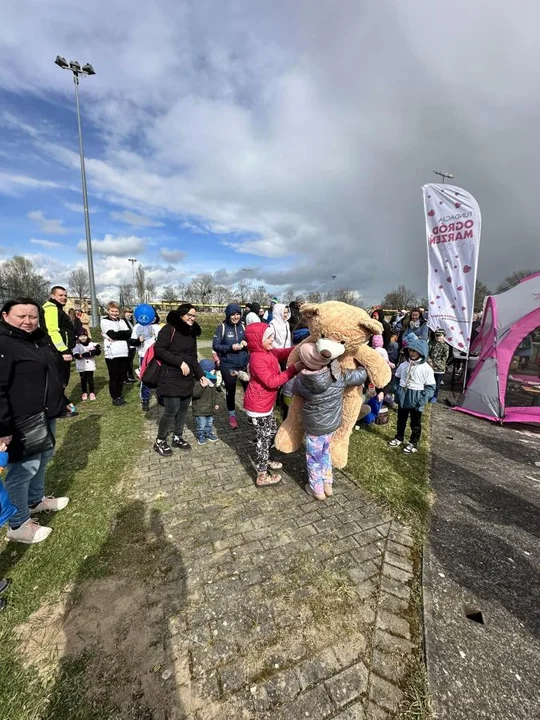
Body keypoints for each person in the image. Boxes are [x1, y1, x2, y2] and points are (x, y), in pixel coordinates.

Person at [0, 298, 70, 544]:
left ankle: (35, 501)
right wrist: (3, 427)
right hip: (20, 420)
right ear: (5, 316)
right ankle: (18, 524)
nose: (28, 321)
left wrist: (62, 400)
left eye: (33, 316)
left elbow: (50, 373)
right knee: (23, 470)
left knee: (43, 459)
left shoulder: (38, 339)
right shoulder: (5, 343)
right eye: (22, 316)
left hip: (45, 413)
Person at [293, 343, 366, 500]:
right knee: (325, 453)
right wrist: (360, 365)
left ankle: (317, 490)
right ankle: (328, 484)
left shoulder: (301, 380)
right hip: (332, 424)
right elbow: (360, 376)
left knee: (314, 458)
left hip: (314, 428)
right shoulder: (338, 375)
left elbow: (292, 390)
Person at [244, 323, 301, 487]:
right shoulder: (257, 358)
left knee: (271, 431)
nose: (272, 339)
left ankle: (266, 458)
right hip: (258, 407)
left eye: (271, 335)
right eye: (268, 337)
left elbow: (282, 353)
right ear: (257, 340)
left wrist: (301, 347)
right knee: (263, 439)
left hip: (266, 405)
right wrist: (293, 369)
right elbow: (272, 381)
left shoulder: (267, 352)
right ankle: (262, 475)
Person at [153, 304, 207, 456]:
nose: (192, 318)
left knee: (183, 410)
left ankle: (177, 436)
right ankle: (160, 441)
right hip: (169, 376)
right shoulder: (169, 329)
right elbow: (159, 350)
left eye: (194, 316)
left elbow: (193, 358)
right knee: (171, 410)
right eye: (189, 315)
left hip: (186, 378)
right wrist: (179, 362)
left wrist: (201, 375)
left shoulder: (191, 333)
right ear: (181, 315)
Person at [388, 337, 436, 454]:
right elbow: (396, 378)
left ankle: (413, 442)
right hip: (403, 396)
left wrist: (422, 400)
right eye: (410, 350)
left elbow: (430, 387)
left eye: (415, 351)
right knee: (401, 419)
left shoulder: (426, 369)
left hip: (416, 397)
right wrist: (396, 390)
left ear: (421, 352)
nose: (412, 353)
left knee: (415, 422)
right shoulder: (403, 365)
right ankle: (399, 437)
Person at [212, 303, 248, 429]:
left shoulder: (244, 326)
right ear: (228, 315)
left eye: (237, 314)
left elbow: (252, 341)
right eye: (233, 314)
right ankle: (232, 416)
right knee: (231, 392)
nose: (235, 317)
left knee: (249, 391)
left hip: (243, 365)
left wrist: (246, 343)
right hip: (228, 365)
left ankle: (250, 414)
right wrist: (230, 347)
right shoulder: (221, 328)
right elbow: (215, 346)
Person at [42, 285, 75, 391]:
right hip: (57, 351)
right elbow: (53, 331)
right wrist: (64, 350)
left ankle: (62, 403)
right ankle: (58, 405)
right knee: (59, 380)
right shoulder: (51, 308)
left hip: (60, 350)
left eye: (65, 295)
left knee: (62, 380)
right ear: (52, 296)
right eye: (60, 295)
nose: (64, 297)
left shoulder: (58, 309)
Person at [101, 301, 131, 406]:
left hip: (123, 351)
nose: (114, 313)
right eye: (112, 311)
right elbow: (112, 334)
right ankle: (115, 397)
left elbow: (128, 333)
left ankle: (119, 394)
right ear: (108, 311)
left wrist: (119, 335)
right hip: (112, 353)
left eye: (116, 311)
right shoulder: (104, 321)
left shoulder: (122, 321)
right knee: (114, 376)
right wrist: (119, 335)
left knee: (122, 375)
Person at [132, 314, 161, 412]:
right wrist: (138, 340)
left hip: (157, 355)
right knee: (145, 377)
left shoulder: (158, 327)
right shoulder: (138, 326)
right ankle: (145, 399)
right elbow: (131, 341)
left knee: (159, 376)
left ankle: (161, 396)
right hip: (144, 355)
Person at [191, 359, 221, 445]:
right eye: (213, 369)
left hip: (210, 408)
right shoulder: (198, 380)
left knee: (209, 423)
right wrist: (202, 386)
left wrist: (217, 403)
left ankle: (208, 434)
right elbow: (195, 394)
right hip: (200, 409)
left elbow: (215, 394)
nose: (214, 371)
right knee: (201, 425)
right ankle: (201, 436)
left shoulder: (213, 380)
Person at [73, 330, 101, 401]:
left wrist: (96, 350)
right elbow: (76, 355)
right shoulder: (77, 345)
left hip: (90, 365)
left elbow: (97, 348)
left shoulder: (90, 343)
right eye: (81, 336)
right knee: (83, 379)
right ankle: (84, 392)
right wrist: (85, 354)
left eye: (84, 336)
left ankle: (92, 392)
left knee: (90, 379)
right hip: (81, 365)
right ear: (78, 337)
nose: (83, 338)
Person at [428, 328, 450, 403]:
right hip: (430, 366)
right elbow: (428, 354)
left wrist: (437, 365)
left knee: (437, 384)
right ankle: (428, 395)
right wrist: (430, 363)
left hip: (439, 368)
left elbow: (445, 358)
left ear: (444, 336)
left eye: (439, 335)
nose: (437, 337)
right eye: (436, 335)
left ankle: (435, 396)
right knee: (429, 382)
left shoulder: (446, 346)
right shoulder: (431, 343)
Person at [122, 307, 137, 383]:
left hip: (132, 344)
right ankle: (126, 377)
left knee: (130, 360)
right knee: (127, 361)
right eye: (128, 312)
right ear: (124, 313)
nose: (129, 314)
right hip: (127, 344)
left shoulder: (131, 321)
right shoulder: (123, 321)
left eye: (131, 312)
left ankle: (130, 375)